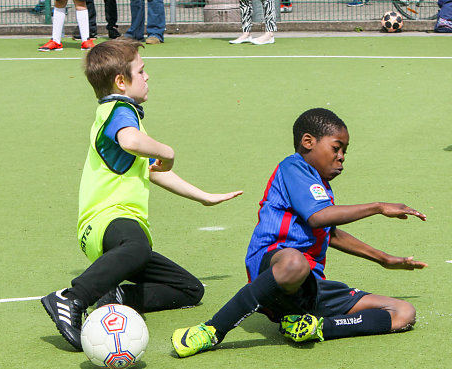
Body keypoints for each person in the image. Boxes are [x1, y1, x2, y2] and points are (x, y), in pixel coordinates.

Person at [171, 108, 428, 358]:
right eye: (336, 147)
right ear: (308, 142)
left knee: (403, 312)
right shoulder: (293, 168)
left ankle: (309, 327)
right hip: (273, 268)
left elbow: (329, 232)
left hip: (308, 286)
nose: (342, 157)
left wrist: (383, 259)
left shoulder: (319, 186)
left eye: (344, 151)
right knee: (295, 263)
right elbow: (318, 218)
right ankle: (213, 330)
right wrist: (379, 207)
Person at [40, 38, 243, 351]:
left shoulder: (116, 113)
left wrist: (202, 196)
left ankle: (115, 294)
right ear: (121, 82)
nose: (147, 77)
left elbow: (153, 169)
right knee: (138, 245)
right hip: (109, 220)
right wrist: (169, 150)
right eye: (141, 71)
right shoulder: (120, 111)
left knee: (189, 289)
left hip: (113, 234)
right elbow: (132, 142)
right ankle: (72, 297)